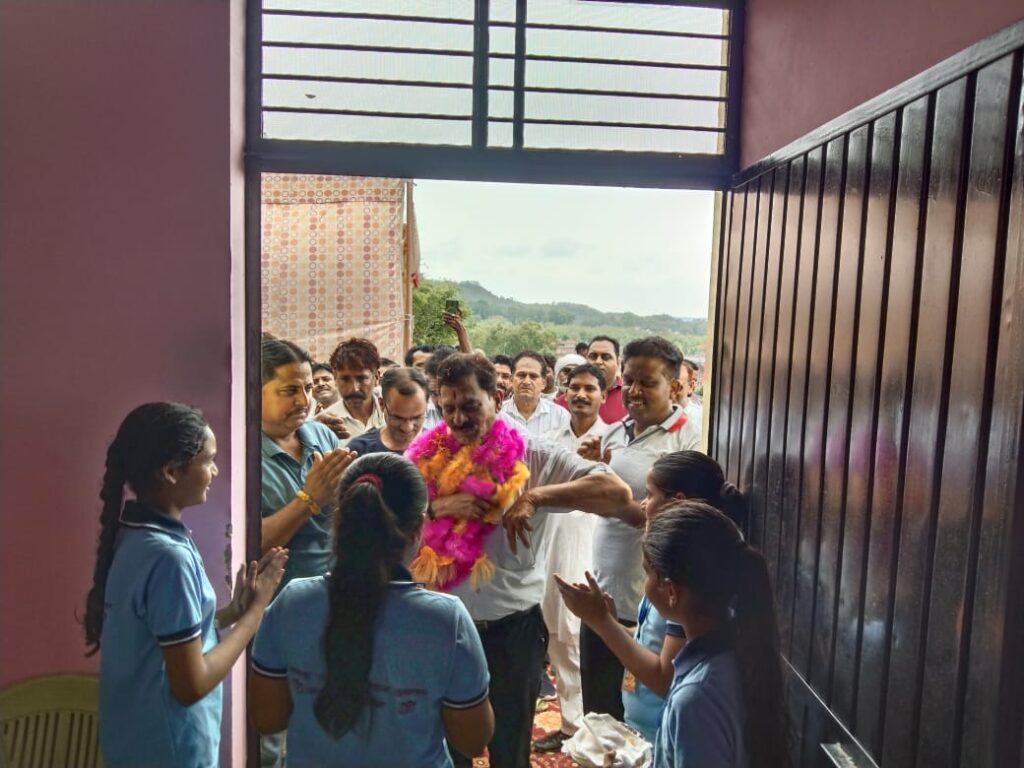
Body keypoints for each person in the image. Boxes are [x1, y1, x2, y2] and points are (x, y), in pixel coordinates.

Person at [427, 352, 632, 768]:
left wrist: (536, 496)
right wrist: (436, 508)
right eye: (448, 409)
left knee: (510, 744)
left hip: (513, 630)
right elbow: (393, 513)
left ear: (497, 398)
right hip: (446, 625)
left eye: (470, 406)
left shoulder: (535, 455)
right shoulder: (430, 455)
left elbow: (616, 494)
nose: (459, 419)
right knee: (450, 746)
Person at [249, 453, 494, 767]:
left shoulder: (292, 603)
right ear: (418, 527)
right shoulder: (445, 620)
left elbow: (267, 719)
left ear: (341, 520)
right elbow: (473, 741)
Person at [84, 402, 288, 767]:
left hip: (135, 745)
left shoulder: (136, 537)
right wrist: (255, 614)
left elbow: (163, 633)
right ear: (171, 471)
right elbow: (191, 685)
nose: (215, 470)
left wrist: (230, 614)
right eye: (208, 460)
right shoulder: (168, 558)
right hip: (171, 750)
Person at [555, 451, 748, 744]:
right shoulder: (675, 578)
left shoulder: (685, 583)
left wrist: (602, 623)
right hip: (647, 727)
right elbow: (655, 643)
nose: (643, 504)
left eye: (649, 494)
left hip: (660, 731)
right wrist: (609, 622)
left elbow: (663, 677)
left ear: (678, 501)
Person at [577, 336, 701, 720]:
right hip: (604, 595)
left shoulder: (690, 437)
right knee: (599, 720)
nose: (633, 391)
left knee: (638, 719)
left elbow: (683, 521)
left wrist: (614, 502)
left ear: (674, 387)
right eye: (628, 380)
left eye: (646, 382)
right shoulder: (616, 432)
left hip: (648, 608)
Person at [642, 503, 789, 767]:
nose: (645, 584)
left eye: (647, 573)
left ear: (671, 590)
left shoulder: (696, 699)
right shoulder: (741, 651)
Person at [531, 363, 609, 752]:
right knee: (557, 639)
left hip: (592, 553)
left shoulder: (613, 442)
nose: (580, 394)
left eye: (589, 388)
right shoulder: (547, 441)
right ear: (564, 392)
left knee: (581, 640)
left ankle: (595, 729)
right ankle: (570, 725)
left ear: (604, 395)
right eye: (574, 387)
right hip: (549, 550)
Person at [260, 338, 356, 590]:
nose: (304, 401)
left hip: (338, 590)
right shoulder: (242, 457)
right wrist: (309, 499)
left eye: (308, 388)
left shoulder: (322, 435)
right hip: (280, 600)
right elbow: (247, 545)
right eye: (290, 391)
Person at [347, 367, 429, 455]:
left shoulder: (438, 446)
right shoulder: (359, 450)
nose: (407, 428)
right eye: (397, 418)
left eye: (417, 418)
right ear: (382, 404)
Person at [324, 337, 386, 445]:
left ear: (376, 377)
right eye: (345, 379)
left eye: (362, 378)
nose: (354, 388)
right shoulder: (327, 424)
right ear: (335, 378)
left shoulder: (391, 415)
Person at [556, 335, 628, 423]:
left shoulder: (629, 397)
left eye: (606, 357)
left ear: (618, 362)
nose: (598, 362)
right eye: (593, 356)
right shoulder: (565, 401)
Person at [498, 351, 569, 437]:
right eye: (521, 375)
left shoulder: (560, 416)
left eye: (533, 376)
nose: (527, 382)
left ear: (543, 383)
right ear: (511, 379)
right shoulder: (498, 414)